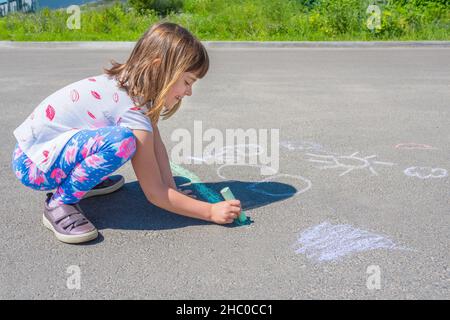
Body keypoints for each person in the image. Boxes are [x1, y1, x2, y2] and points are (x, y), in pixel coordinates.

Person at [11, 22, 242, 244]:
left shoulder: (131, 87)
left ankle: (82, 181)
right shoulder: (131, 108)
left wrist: (172, 187)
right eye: (187, 81)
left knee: (125, 141)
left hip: (39, 152)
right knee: (122, 143)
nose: (189, 92)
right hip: (34, 167)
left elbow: (155, 146)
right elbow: (154, 193)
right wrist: (210, 211)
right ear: (159, 67)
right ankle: (60, 202)